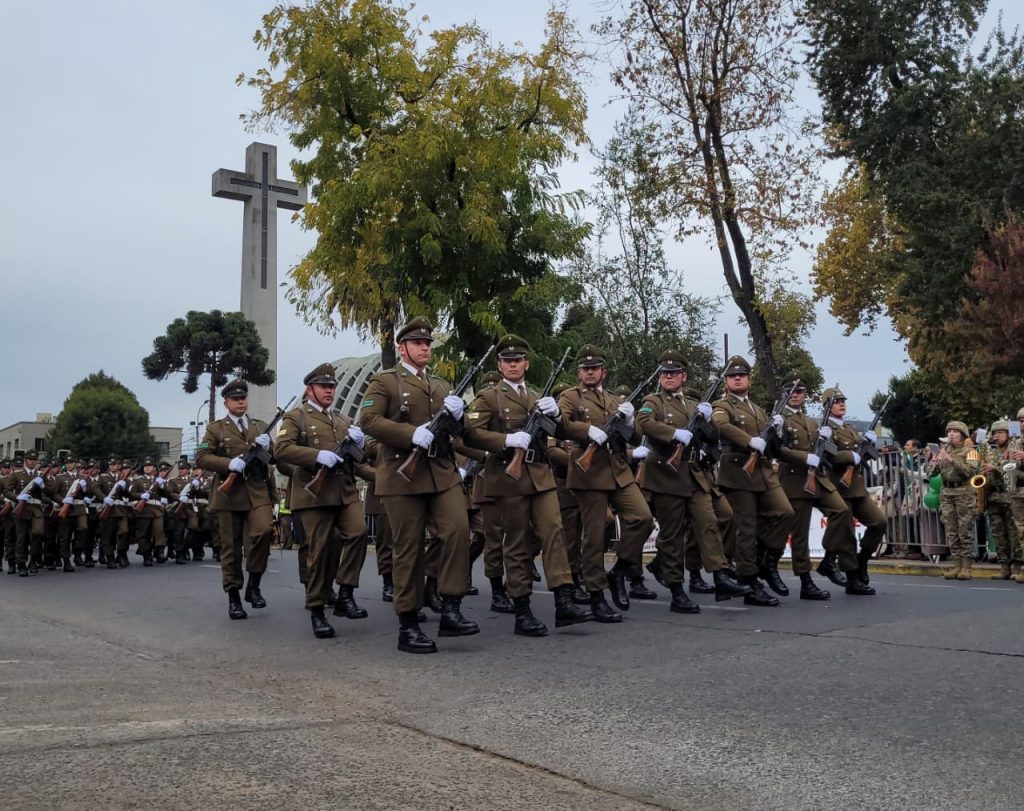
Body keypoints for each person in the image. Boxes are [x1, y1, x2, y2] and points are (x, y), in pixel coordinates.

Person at [360, 317, 476, 654]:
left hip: (441, 472)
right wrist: (410, 433)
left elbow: (460, 433)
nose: (425, 348)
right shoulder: (384, 382)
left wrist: (459, 416)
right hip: (401, 475)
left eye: (428, 343)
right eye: (418, 343)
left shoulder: (440, 386)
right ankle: (408, 624)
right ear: (402, 347)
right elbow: (368, 421)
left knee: (457, 530)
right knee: (408, 548)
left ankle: (450, 606)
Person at [463, 334, 592, 636]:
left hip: (540, 474)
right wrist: (505, 440)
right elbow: (470, 434)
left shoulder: (536, 397)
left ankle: (564, 600)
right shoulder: (488, 397)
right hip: (510, 478)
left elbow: (565, 430)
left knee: (554, 532)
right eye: (507, 361)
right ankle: (522, 609)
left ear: (526, 364)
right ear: (500, 364)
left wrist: (558, 414)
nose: (512, 365)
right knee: (517, 543)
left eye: (517, 360)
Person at [635, 349, 751, 612]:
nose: (668, 376)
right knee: (673, 534)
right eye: (665, 373)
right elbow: (644, 423)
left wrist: (707, 420)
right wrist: (674, 433)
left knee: (712, 521)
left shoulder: (691, 405)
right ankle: (677, 590)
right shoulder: (653, 400)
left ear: (683, 376)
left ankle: (721, 575)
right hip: (666, 474)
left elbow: (711, 437)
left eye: (674, 373)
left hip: (693, 474)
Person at [557, 344, 655, 621]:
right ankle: (597, 594)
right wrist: (587, 430)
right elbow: (560, 425)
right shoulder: (570, 397)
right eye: (585, 369)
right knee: (595, 535)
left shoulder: (614, 401)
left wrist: (631, 419)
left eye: (595, 368)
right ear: (579, 372)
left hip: (618, 470)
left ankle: (620, 570)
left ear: (604, 372)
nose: (590, 372)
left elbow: (634, 438)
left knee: (643, 518)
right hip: (589, 473)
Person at [276, 363, 368, 639]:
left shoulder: (342, 420)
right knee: (320, 550)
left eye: (332, 386)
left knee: (359, 532)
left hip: (344, 490)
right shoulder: (296, 417)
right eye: (323, 386)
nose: (329, 391)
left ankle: (346, 592)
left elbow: (362, 454)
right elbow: (282, 449)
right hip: (313, 494)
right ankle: (316, 608)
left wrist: (361, 443)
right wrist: (315, 456)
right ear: (310, 389)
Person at [710, 357, 794, 606]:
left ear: (749, 379)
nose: (737, 378)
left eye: (742, 375)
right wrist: (748, 440)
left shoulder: (757, 409)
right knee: (746, 528)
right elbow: (721, 425)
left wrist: (778, 431)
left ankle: (766, 562)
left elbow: (773, 446)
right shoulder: (722, 405)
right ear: (726, 381)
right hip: (738, 470)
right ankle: (748, 580)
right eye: (733, 376)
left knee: (784, 512)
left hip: (763, 471)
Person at [196, 379, 277, 620]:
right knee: (231, 549)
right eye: (235, 399)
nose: (241, 402)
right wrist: (228, 463)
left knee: (263, 533)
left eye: (243, 398)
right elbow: (202, 457)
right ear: (226, 403)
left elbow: (272, 459)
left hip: (256, 491)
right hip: (229, 495)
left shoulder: (259, 426)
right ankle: (234, 597)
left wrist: (267, 447)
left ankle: (254, 584)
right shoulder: (216, 429)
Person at [776, 378, 854, 600]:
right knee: (800, 534)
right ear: (783, 395)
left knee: (841, 511)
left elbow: (826, 452)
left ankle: (829, 560)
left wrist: (825, 440)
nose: (795, 395)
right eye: (790, 391)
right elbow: (779, 449)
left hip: (818, 478)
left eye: (799, 391)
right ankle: (805, 580)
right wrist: (803, 457)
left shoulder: (811, 422)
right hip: (796, 479)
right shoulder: (782, 419)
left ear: (805, 395)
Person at [929, 420, 979, 580]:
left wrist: (951, 460)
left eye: (955, 431)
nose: (951, 434)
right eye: (949, 431)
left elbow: (970, 471)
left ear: (962, 435)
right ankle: (956, 564)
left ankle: (966, 566)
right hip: (947, 491)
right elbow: (931, 473)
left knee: (964, 529)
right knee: (951, 529)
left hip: (964, 491)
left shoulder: (970, 451)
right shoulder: (943, 451)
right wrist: (933, 461)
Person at [982, 420, 1021, 580]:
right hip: (993, 496)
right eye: (994, 433)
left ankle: (1017, 566)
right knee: (998, 534)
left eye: (1000, 433)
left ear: (1008, 434)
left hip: (1009, 495)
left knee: (1014, 533)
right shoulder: (990, 451)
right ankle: (1004, 566)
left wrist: (995, 469)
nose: (996, 436)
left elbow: (1012, 469)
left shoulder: (1014, 449)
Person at [3, 450, 51, 576]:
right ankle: (21, 564)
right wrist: (17, 497)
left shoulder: (41, 475)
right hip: (22, 509)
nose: (32, 462)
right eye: (30, 459)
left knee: (38, 534)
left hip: (36, 508)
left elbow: (49, 493)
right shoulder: (17, 475)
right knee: (21, 538)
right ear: (26, 460)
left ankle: (33, 561)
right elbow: (7, 491)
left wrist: (43, 487)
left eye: (34, 460)